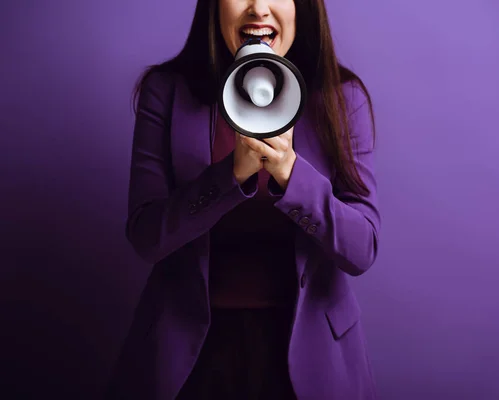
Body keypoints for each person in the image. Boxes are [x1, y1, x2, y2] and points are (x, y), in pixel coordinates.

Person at [105, 0, 380, 399]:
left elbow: (362, 249)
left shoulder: (342, 97)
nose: (258, 9)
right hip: (189, 355)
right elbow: (147, 237)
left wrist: (291, 174)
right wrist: (229, 177)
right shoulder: (167, 91)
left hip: (311, 355)